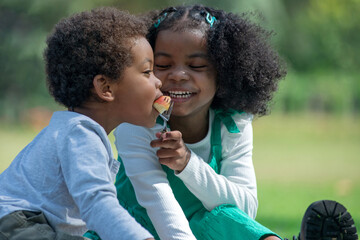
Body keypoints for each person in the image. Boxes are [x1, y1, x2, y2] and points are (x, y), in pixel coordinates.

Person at [85, 4, 358, 240]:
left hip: (202, 231)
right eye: (163, 65)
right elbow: (157, 201)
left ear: (224, 72)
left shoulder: (233, 123)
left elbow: (244, 208)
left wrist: (187, 164)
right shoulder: (137, 125)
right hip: (137, 230)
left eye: (197, 66)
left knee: (222, 216)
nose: (178, 75)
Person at [0, 7, 162, 240]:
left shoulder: (75, 130)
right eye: (147, 72)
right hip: (18, 224)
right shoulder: (81, 134)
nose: (158, 82)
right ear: (106, 88)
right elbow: (98, 203)